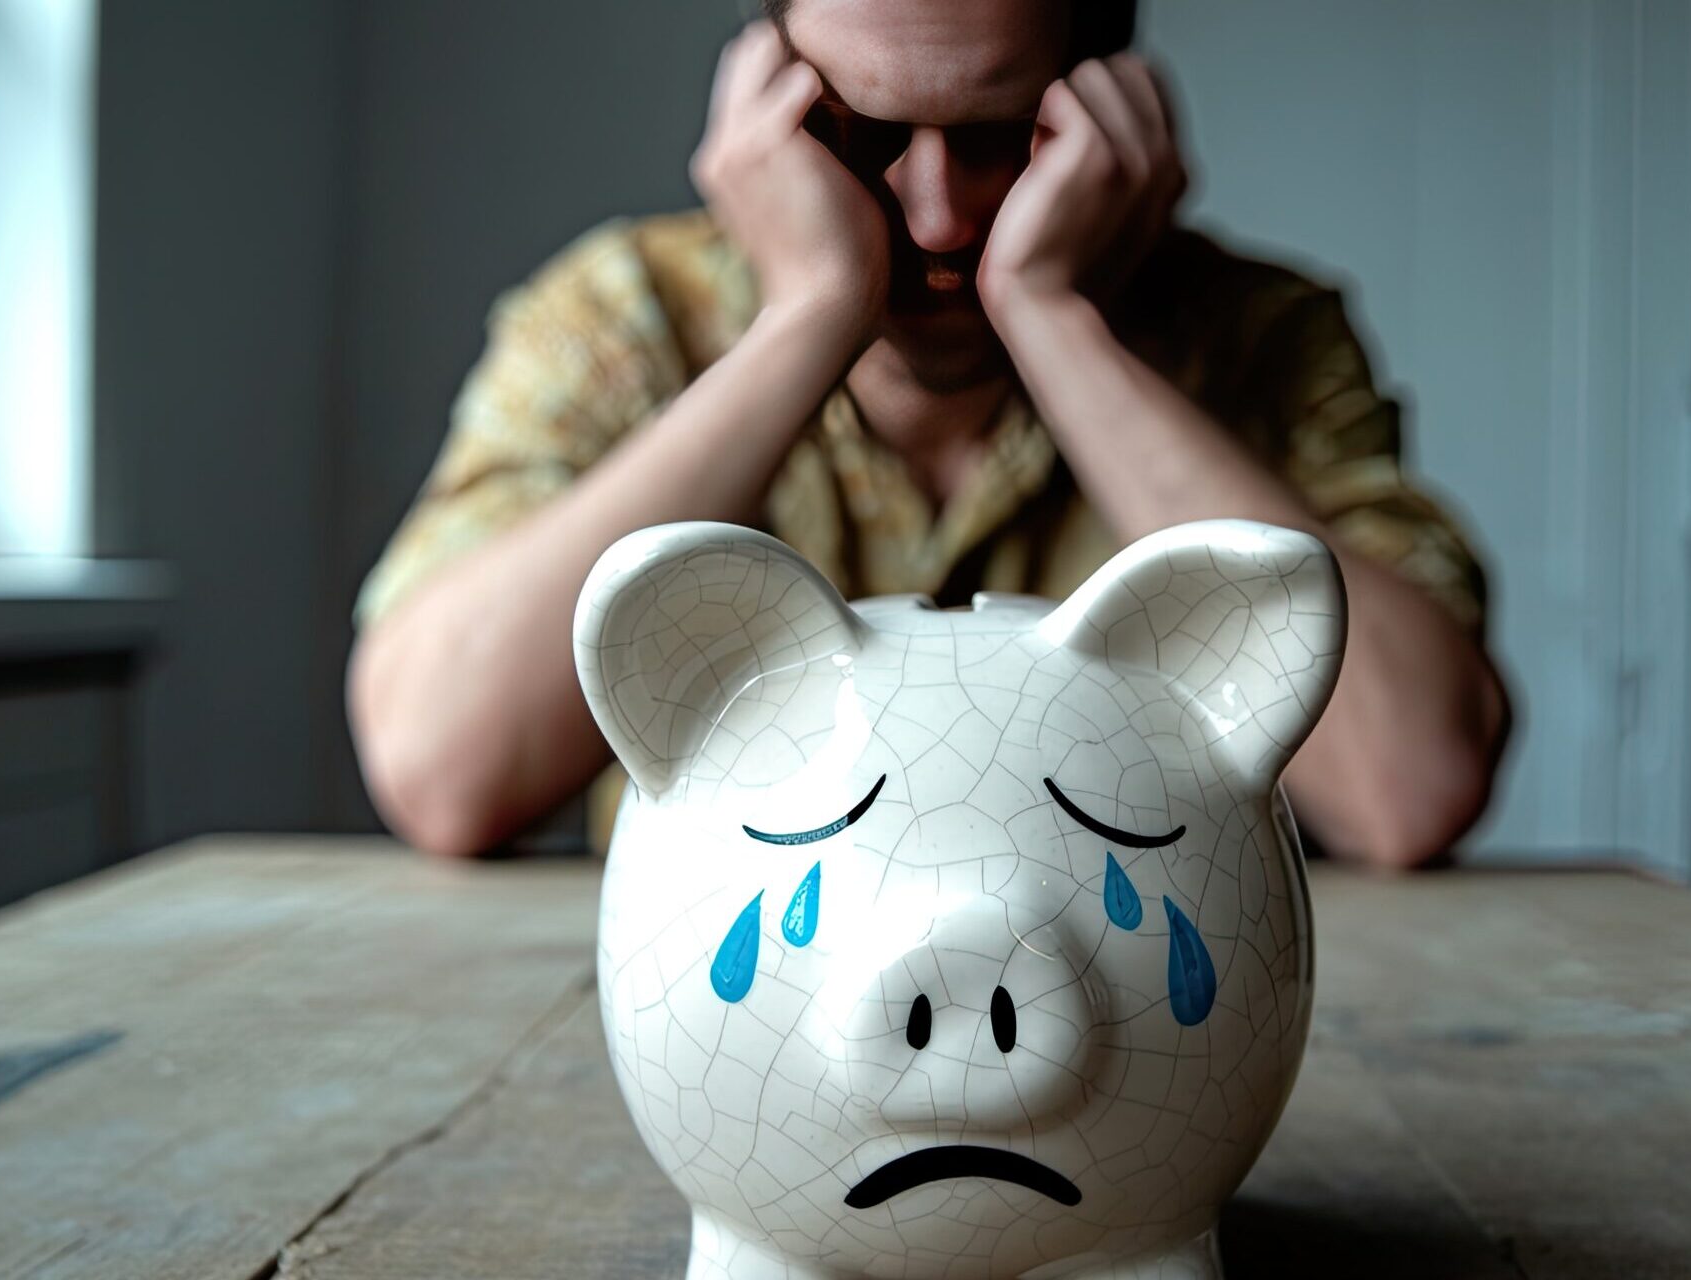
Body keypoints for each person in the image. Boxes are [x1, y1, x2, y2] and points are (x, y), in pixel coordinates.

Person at [347, 0, 1511, 869]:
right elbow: (442, 769)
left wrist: (1054, 319)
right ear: (767, 108)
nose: (936, 213)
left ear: (1111, 115)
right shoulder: (626, 318)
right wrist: (809, 316)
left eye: (1002, 137)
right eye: (863, 137)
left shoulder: (1260, 338)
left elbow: (1408, 785)